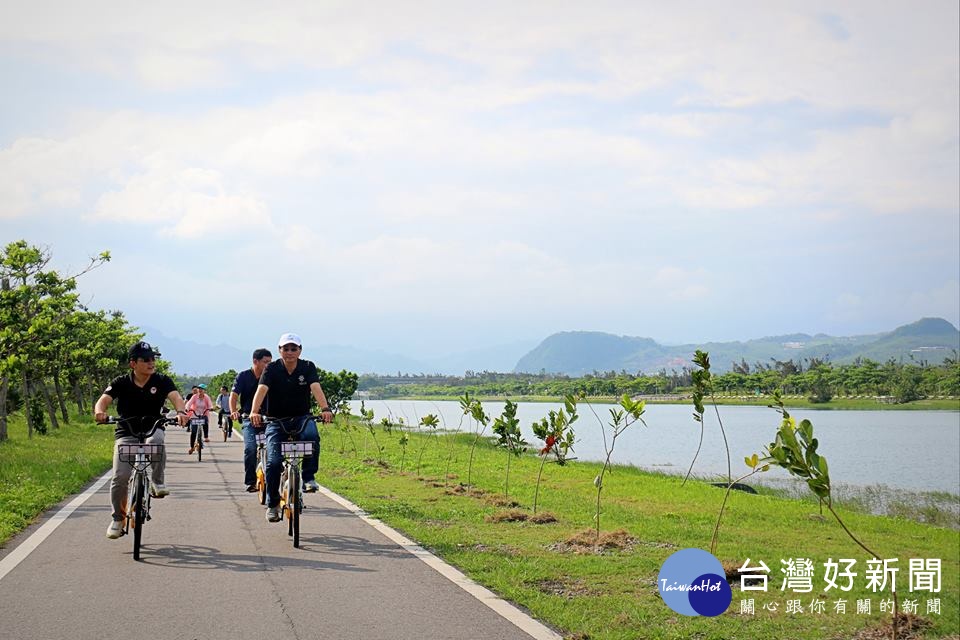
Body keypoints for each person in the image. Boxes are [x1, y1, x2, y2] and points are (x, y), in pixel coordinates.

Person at [94, 341, 187, 539]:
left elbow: (176, 398)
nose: (151, 363)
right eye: (146, 359)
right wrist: (99, 412)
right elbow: (104, 400)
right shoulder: (121, 382)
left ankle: (157, 482)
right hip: (127, 432)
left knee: (156, 442)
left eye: (153, 359)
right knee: (120, 477)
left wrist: (181, 412)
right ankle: (118, 519)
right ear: (133, 364)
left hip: (153, 428)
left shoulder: (162, 380)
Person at [250, 333, 333, 522]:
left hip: (302, 417)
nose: (289, 352)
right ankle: (272, 505)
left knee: (312, 435)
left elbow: (315, 387)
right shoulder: (271, 369)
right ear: (279, 351)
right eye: (285, 349)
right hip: (275, 420)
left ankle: (309, 478)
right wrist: (255, 411)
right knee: (273, 462)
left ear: (300, 351)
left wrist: (325, 408)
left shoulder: (308, 367)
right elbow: (261, 389)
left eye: (293, 349)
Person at [229, 348, 273, 492]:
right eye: (266, 362)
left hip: (270, 418)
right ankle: (251, 481)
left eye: (270, 362)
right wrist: (234, 411)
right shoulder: (243, 376)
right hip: (249, 417)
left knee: (277, 448)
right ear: (255, 361)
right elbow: (234, 395)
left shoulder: (271, 376)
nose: (268, 365)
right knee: (250, 448)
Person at [185, 383, 214, 453]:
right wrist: (187, 408)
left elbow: (210, 404)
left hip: (203, 414)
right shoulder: (194, 396)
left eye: (201, 389)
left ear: (204, 390)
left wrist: (211, 408)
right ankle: (192, 447)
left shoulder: (206, 397)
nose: (200, 390)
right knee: (193, 432)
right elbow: (189, 403)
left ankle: (206, 437)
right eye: (199, 389)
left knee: (205, 422)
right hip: (195, 415)